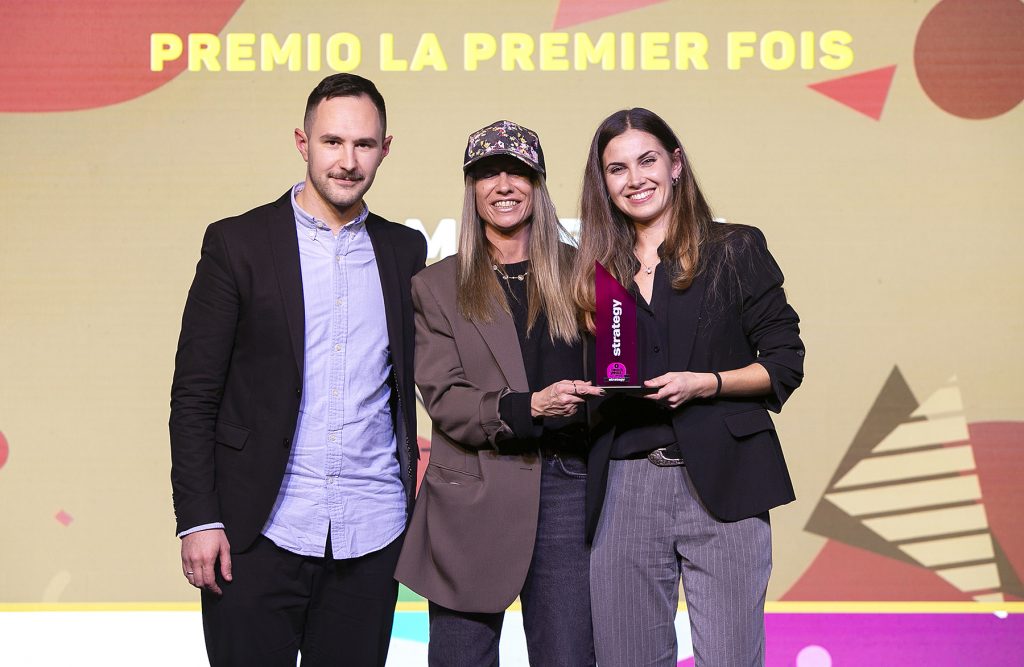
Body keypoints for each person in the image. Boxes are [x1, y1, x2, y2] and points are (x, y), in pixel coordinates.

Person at [169, 73, 426, 666]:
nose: (347, 161)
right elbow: (195, 396)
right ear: (302, 142)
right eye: (332, 141)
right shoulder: (237, 244)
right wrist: (199, 519)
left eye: (364, 144)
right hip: (255, 532)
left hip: (371, 532)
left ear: (385, 150)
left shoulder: (404, 250)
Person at [571, 108, 805, 667]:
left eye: (647, 160)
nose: (635, 179)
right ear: (603, 182)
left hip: (727, 480)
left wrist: (708, 384)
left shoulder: (735, 248)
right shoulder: (591, 272)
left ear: (675, 164)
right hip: (625, 484)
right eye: (617, 169)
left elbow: (784, 363)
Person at [395, 120, 601, 667]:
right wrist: (529, 406)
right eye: (488, 173)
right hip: (472, 491)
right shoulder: (436, 286)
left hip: (566, 488)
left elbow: (616, 375)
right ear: (472, 188)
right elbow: (445, 399)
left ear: (538, 184)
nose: (504, 185)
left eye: (518, 172)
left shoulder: (586, 274)